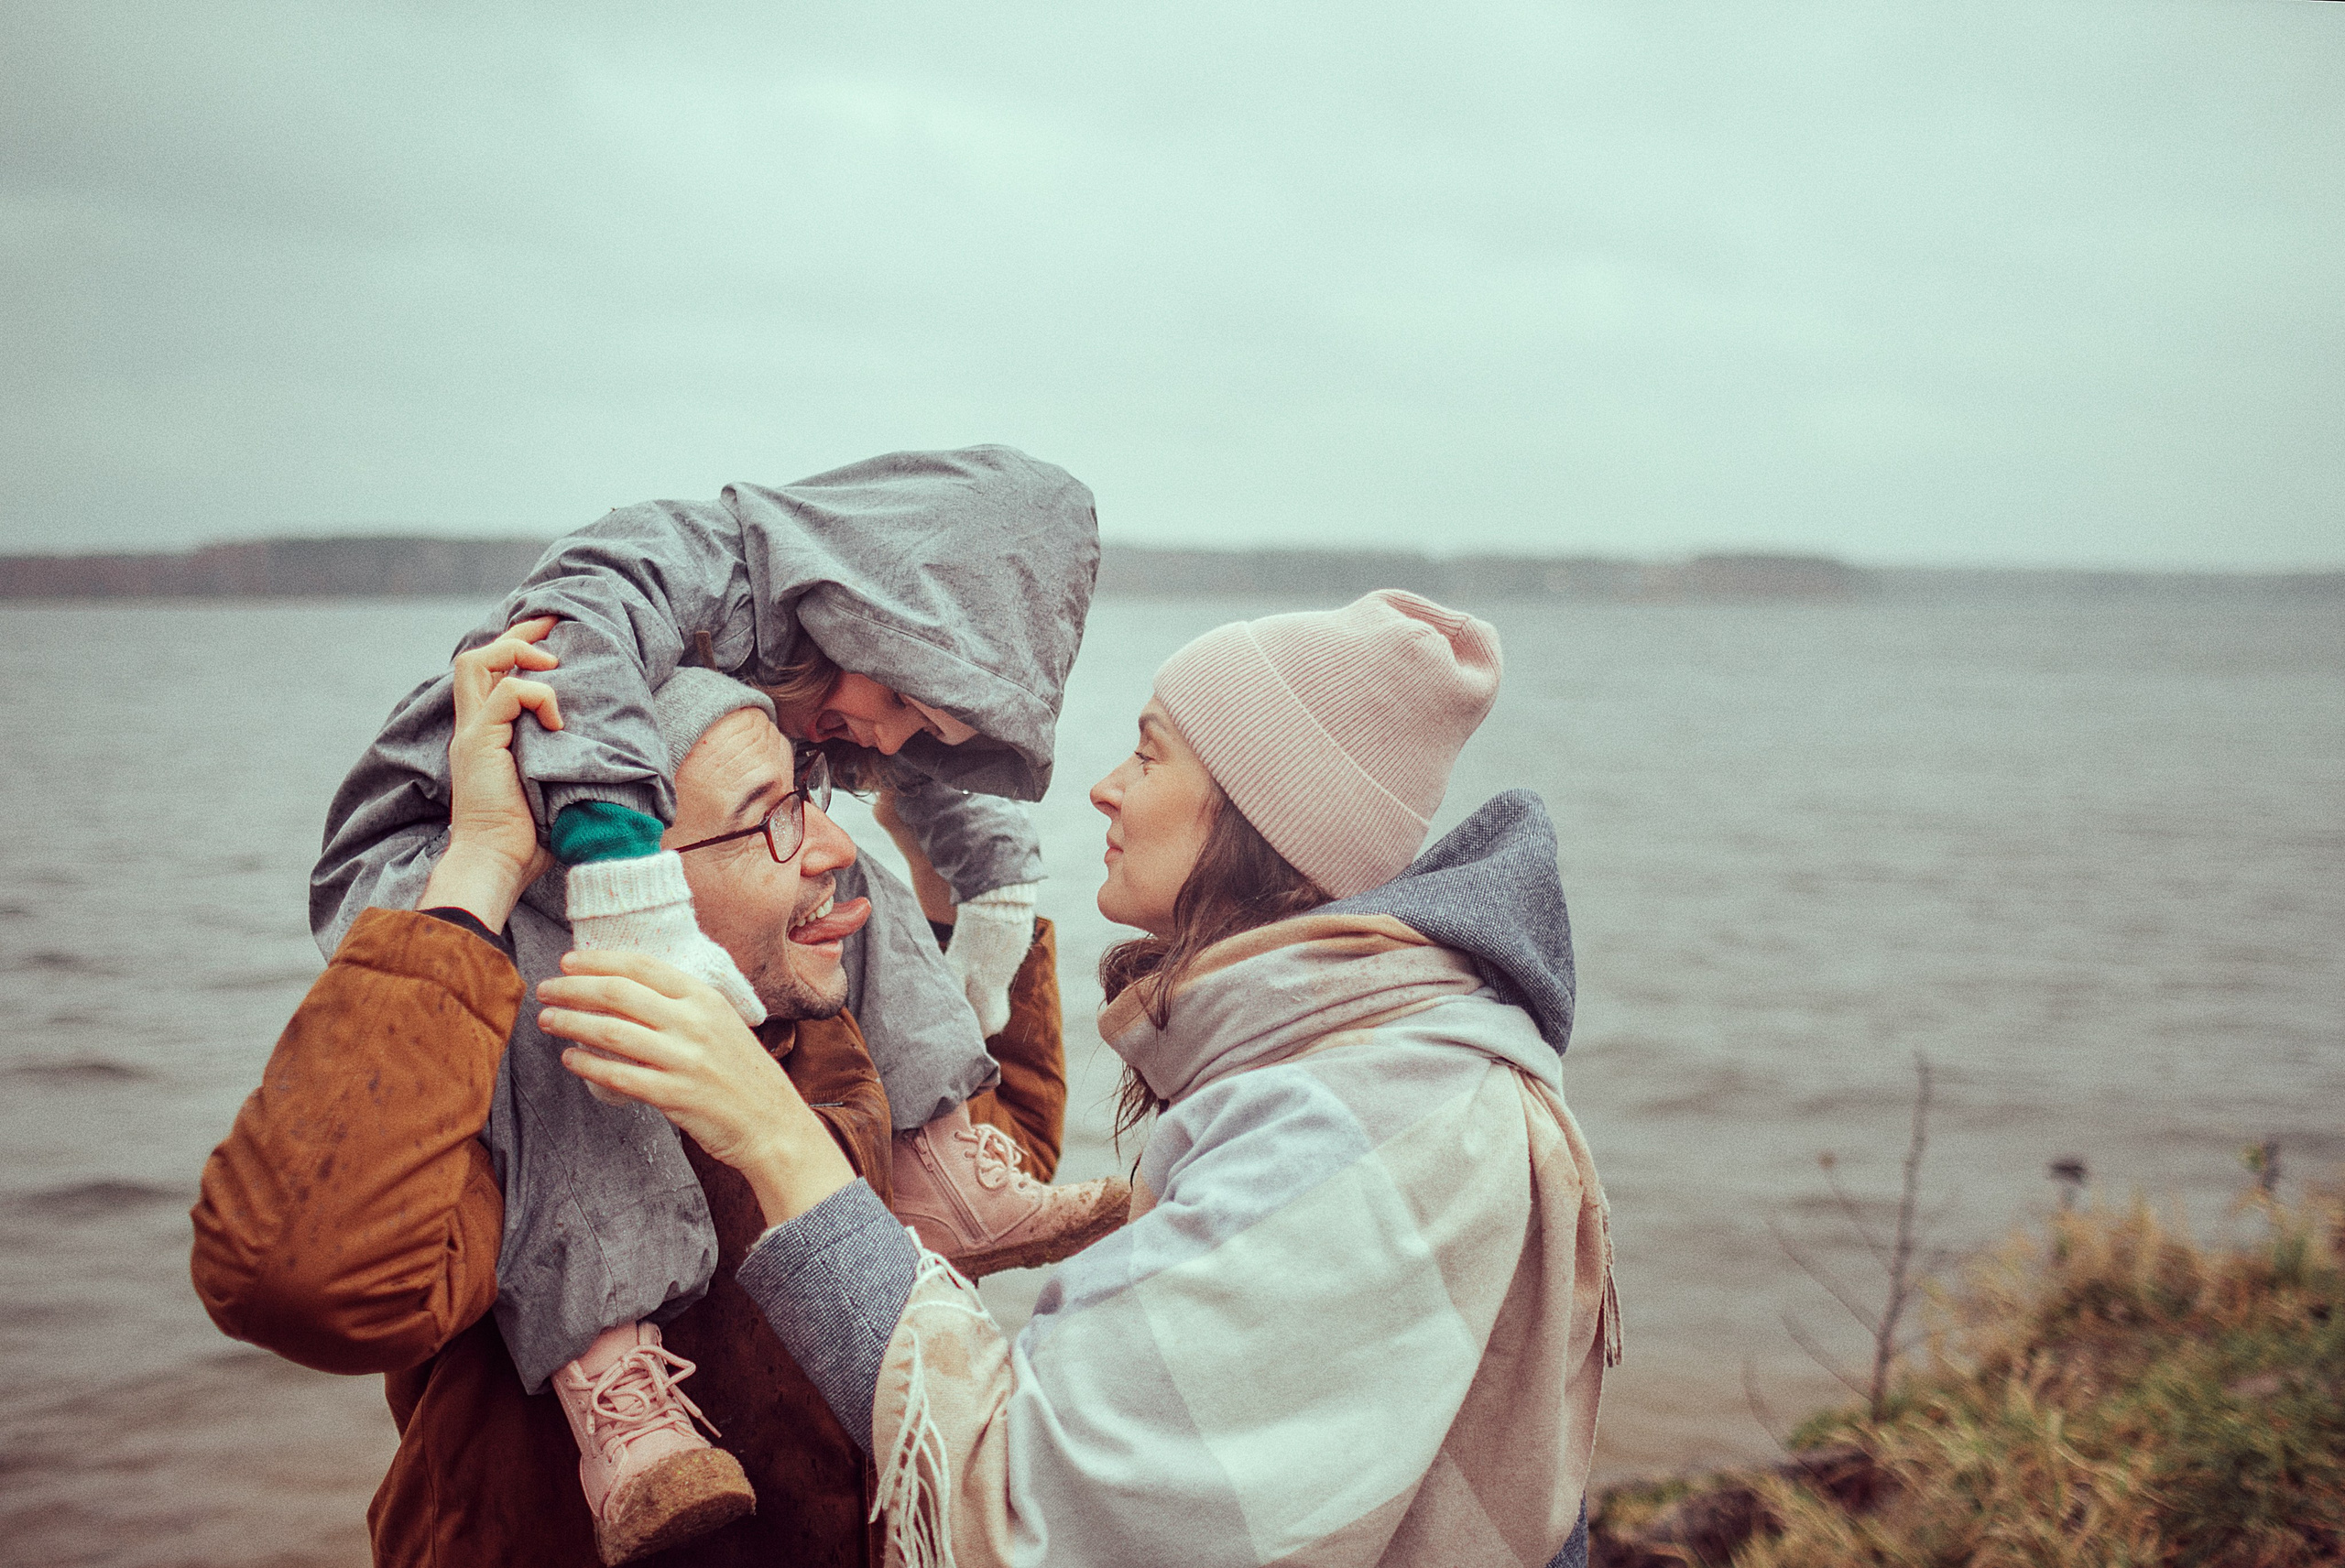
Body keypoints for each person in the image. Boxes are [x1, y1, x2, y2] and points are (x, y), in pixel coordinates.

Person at [549, 590, 1622, 1568]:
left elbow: (1047, 1510)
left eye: (1150, 755)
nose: (1105, 786)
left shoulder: (1361, 1123)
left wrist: (772, 1134)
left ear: (1266, 823)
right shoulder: (1334, 1059)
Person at [302, 447, 1126, 1552]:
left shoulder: (824, 1014)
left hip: (828, 1526)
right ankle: (607, 1357)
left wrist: (997, 907)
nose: (878, 753)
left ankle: (947, 1173)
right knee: (580, 996)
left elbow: (1016, 1112)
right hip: (491, 857)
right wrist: (596, 894)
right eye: (776, 812)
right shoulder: (507, 1046)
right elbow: (327, 1271)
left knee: (866, 888)